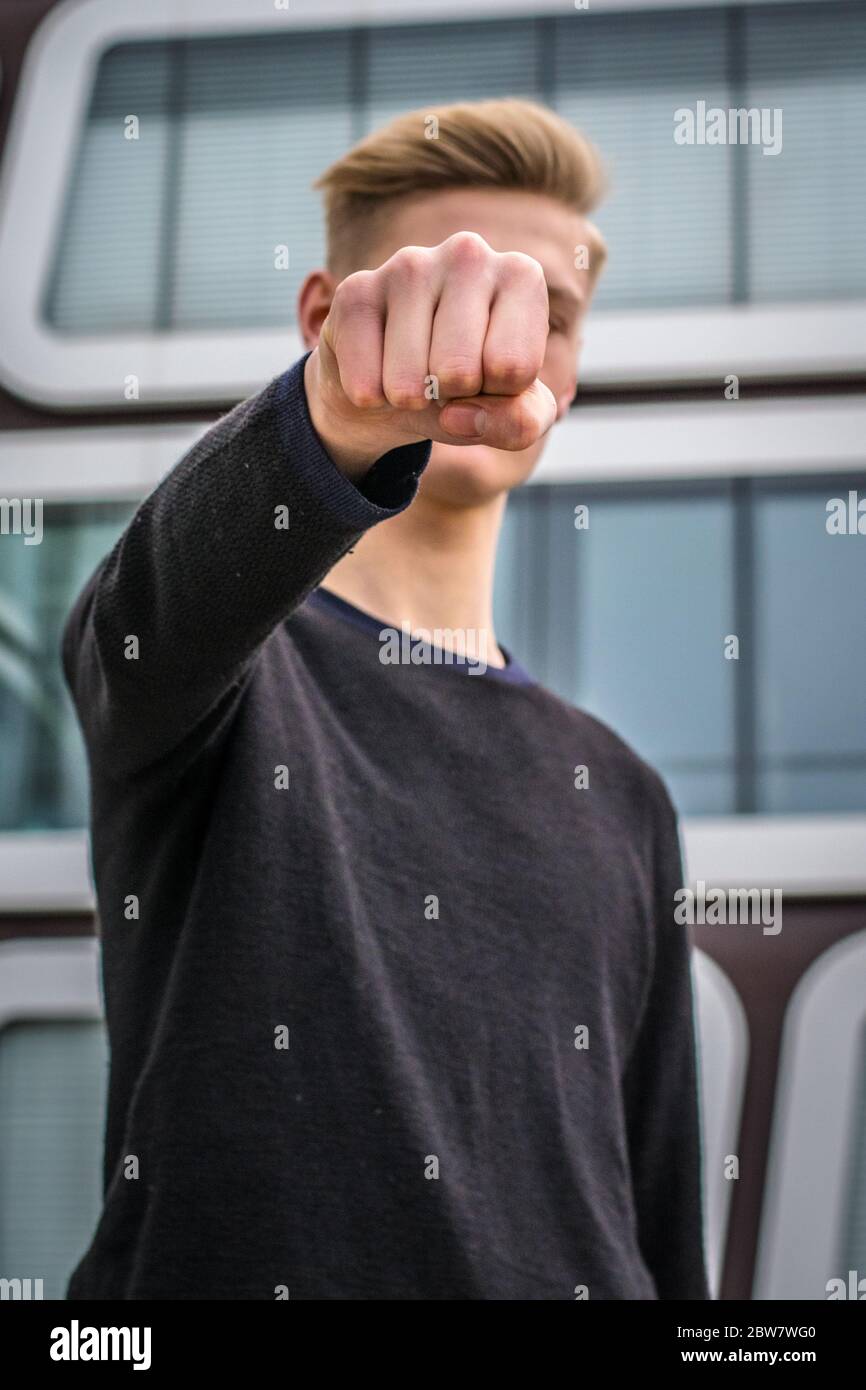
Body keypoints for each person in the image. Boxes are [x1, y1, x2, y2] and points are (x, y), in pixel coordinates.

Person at [63, 99, 711, 1300]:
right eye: (443, 294)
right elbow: (143, 618)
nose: (493, 342)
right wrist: (336, 413)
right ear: (325, 315)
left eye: (546, 313)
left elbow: (661, 1215)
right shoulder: (224, 673)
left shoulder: (621, 794)